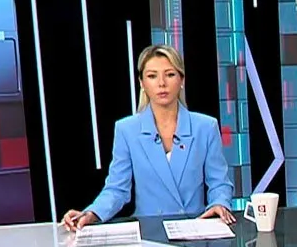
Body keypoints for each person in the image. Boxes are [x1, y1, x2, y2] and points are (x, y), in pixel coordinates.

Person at [61, 44, 236, 230]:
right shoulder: (126, 130)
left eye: (170, 74)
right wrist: (91, 213)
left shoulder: (206, 127)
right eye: (152, 76)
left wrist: (220, 203)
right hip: (149, 234)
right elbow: (117, 189)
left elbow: (219, 182)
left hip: (195, 230)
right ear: (142, 83)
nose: (161, 83)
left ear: (182, 79)